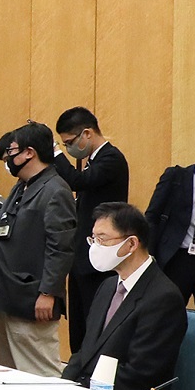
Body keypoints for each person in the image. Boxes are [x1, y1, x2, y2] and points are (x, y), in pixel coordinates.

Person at [0, 123, 75, 375]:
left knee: (39, 373)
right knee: (6, 373)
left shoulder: (55, 190)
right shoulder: (22, 185)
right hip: (2, 293)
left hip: (29, 296)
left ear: (29, 152)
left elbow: (60, 247)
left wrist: (48, 292)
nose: (7, 158)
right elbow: (8, 227)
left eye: (11, 151)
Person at [58, 204, 184, 390]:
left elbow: (140, 376)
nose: (95, 247)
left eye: (102, 239)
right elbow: (86, 353)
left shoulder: (164, 298)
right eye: (93, 239)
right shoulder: (107, 287)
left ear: (131, 244)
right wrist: (62, 387)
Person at [50, 107, 130, 347]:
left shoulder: (111, 158)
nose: (68, 148)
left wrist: (55, 153)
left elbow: (78, 182)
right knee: (78, 325)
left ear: (87, 133)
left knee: (93, 323)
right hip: (82, 255)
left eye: (69, 143)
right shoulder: (93, 161)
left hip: (100, 259)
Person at [141, 160, 195, 303]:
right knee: (168, 307)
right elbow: (152, 217)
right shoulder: (176, 176)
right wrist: (149, 256)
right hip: (177, 258)